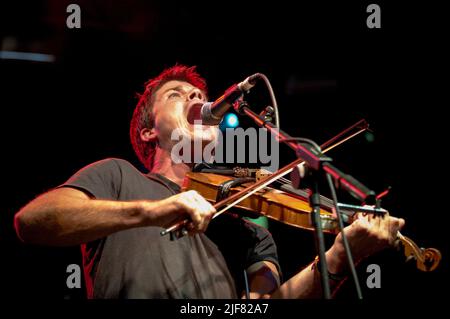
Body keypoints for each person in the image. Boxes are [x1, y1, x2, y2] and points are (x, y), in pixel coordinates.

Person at [14, 65, 404, 299]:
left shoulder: (247, 228)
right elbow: (33, 222)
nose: (196, 96)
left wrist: (337, 258)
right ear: (149, 131)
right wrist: (155, 210)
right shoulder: (118, 176)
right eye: (176, 95)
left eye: (198, 93)